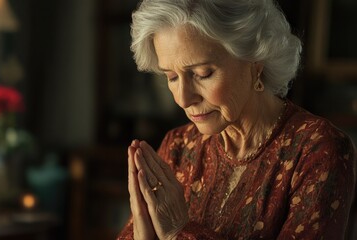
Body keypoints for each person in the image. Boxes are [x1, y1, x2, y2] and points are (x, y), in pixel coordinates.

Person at [117, 0, 357, 239]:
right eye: (171, 77)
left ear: (255, 61)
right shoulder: (178, 146)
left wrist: (177, 231)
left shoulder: (317, 150)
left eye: (203, 74)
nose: (183, 98)